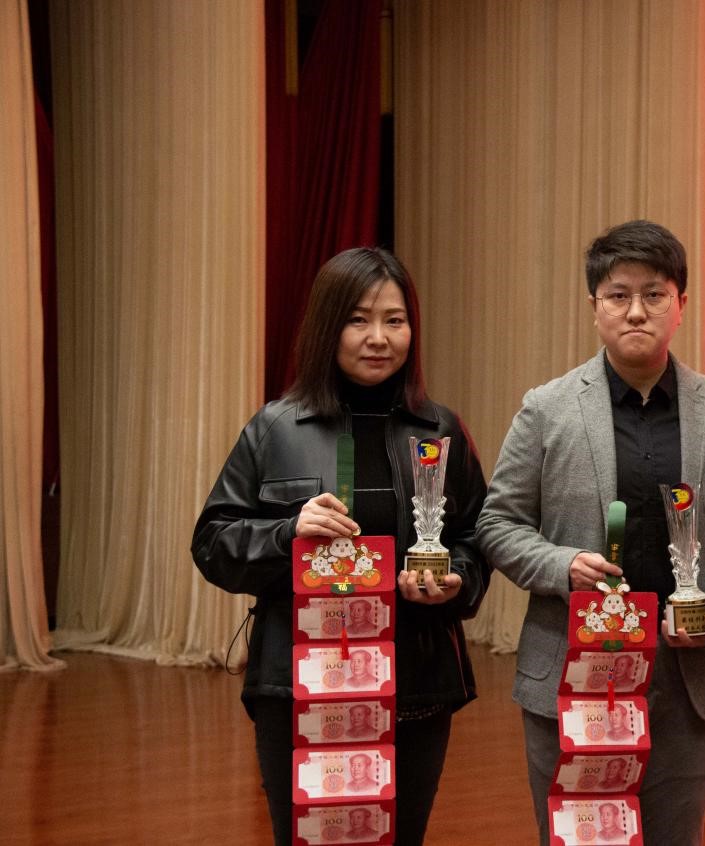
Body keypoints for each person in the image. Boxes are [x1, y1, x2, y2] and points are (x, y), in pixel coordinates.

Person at [477, 219, 705, 846]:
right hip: (574, 668)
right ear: (595, 306)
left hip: (687, 676)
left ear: (681, 304)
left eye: (654, 295)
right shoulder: (547, 408)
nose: (636, 311)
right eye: (618, 295)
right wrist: (561, 565)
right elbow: (498, 522)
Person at [192, 247, 489, 846]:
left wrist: (456, 579)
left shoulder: (441, 430)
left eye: (394, 320)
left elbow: (476, 538)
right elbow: (214, 543)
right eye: (358, 320)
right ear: (328, 327)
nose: (378, 338)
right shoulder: (275, 428)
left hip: (416, 683)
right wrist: (287, 533)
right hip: (298, 686)